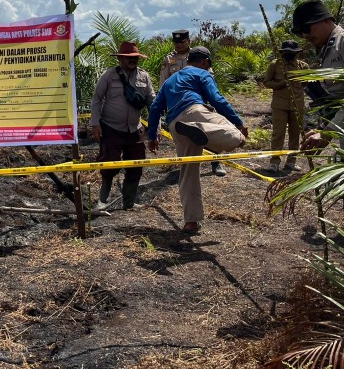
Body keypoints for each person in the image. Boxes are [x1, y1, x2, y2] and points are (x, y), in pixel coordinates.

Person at [147, 46, 248, 232]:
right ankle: (202, 131)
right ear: (205, 62)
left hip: (174, 123)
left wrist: (152, 136)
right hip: (194, 111)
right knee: (237, 137)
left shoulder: (168, 82)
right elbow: (216, 99)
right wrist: (239, 122)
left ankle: (191, 222)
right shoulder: (202, 74)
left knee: (188, 171)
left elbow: (154, 109)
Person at [89, 41, 156, 210]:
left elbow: (153, 103)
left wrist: (155, 129)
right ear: (120, 58)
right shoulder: (109, 76)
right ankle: (102, 202)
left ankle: (129, 203)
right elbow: (97, 99)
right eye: (128, 58)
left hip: (135, 130)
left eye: (135, 58)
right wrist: (95, 123)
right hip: (111, 129)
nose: (133, 60)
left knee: (135, 167)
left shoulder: (144, 76)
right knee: (109, 166)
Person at [160, 30, 226, 178]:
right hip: (178, 105)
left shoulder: (198, 55)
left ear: (188, 41)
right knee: (185, 135)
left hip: (201, 101)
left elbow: (209, 75)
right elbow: (164, 82)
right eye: (176, 43)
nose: (179, 45)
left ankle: (216, 161)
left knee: (210, 129)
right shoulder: (169, 59)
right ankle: (188, 166)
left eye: (182, 42)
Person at [292, 0, 344, 153]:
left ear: (327, 20)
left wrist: (327, 132)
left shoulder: (342, 42)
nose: (304, 35)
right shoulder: (328, 48)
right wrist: (323, 128)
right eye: (299, 32)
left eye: (306, 28)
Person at [263, 40, 308, 172]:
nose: (289, 55)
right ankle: (274, 162)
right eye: (286, 52)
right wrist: (279, 84)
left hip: (297, 105)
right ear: (282, 53)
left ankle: (291, 162)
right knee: (278, 134)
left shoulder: (303, 66)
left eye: (291, 53)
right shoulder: (275, 65)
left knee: (295, 135)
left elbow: (305, 84)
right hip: (279, 105)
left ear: (297, 53)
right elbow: (266, 82)